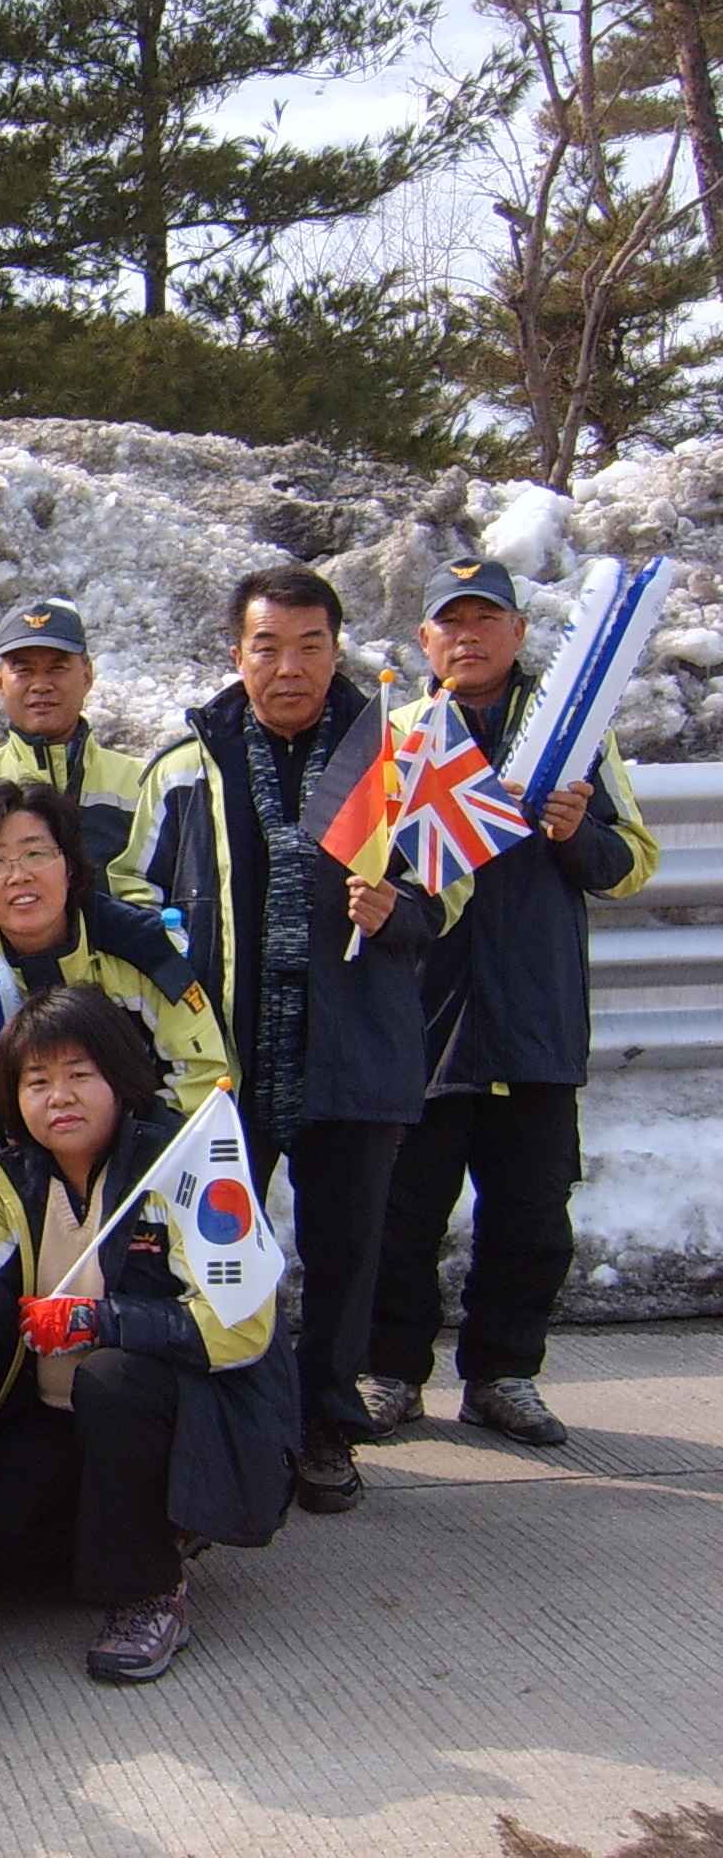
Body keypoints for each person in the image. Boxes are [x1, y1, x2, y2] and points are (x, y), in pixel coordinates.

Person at [113, 565, 440, 1515]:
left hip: (356, 1046)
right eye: (268, 646)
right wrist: (171, 950)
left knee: (346, 1252)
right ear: (237, 653)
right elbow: (131, 887)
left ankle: (327, 1423)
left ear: (337, 652)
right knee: (220, 1250)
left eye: (310, 646)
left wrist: (397, 911)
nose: (288, 667)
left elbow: (448, 891)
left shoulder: (393, 760)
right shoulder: (186, 765)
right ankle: (236, 1416)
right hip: (226, 1058)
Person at [0, 987, 294, 1684]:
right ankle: (137, 1533)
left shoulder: (188, 1166)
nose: (59, 1098)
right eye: (36, 1082)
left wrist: (102, 1321)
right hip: (58, 1415)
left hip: (191, 1416)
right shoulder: (11, 1183)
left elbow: (243, 1328)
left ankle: (147, 1589)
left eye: (79, 1074)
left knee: (112, 1375)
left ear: (121, 1078)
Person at [363, 557, 660, 1447]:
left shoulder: (574, 730)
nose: (469, 636)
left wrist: (578, 833)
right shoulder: (399, 733)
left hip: (536, 1020)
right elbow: (363, 865)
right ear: (425, 639)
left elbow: (633, 862)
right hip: (424, 1023)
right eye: (450, 622)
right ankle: (390, 1372)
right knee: (402, 1214)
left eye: (486, 618)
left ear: (520, 632)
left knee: (532, 1219)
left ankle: (503, 1375)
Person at [0, 781, 229, 1166]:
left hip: (153, 1170)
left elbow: (202, 1079)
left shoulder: (139, 947)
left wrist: (139, 1172)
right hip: (23, 1186)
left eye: (35, 853)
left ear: (69, 864)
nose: (18, 876)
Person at [0, 599, 145, 866]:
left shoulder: (141, 784)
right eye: (24, 670)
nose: (40, 685)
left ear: (87, 676)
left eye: (57, 668)